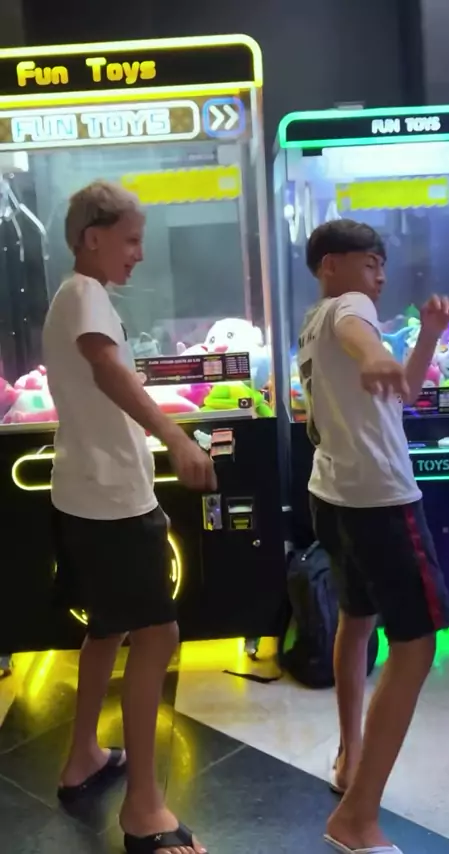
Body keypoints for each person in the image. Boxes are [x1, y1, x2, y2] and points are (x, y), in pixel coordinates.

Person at [43, 180, 216, 854]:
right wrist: (176, 438)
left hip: (84, 494)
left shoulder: (74, 295)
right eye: (131, 240)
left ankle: (82, 755)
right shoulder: (86, 295)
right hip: (113, 501)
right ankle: (144, 810)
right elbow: (109, 370)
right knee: (157, 634)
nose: (139, 254)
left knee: (108, 629)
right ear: (94, 238)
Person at [297, 219, 449, 854]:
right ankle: (357, 818)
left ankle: (349, 757)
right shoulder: (348, 307)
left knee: (356, 619)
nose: (380, 276)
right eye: (370, 263)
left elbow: (404, 391)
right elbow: (359, 335)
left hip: (334, 495)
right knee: (416, 645)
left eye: (382, 265)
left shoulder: (314, 321)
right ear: (331, 265)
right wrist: (374, 354)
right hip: (382, 500)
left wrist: (427, 337)